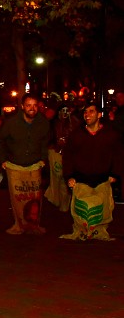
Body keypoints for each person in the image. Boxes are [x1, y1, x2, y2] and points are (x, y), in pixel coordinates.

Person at [61, 102, 124, 241]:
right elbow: (68, 157)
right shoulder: (76, 135)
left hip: (102, 178)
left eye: (91, 112)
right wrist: (69, 176)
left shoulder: (110, 134)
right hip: (81, 178)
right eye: (85, 112)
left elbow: (118, 155)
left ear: (99, 115)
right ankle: (82, 231)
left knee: (101, 208)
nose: (87, 115)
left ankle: (98, 231)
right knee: (83, 209)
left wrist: (115, 174)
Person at [0, 93, 51, 235]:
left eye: (34, 105)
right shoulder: (11, 123)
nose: (32, 108)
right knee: (18, 198)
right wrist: (2, 160)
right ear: (22, 107)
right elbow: (0, 141)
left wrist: (43, 159)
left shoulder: (43, 123)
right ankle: (18, 224)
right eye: (28, 105)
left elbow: (46, 142)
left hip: (34, 164)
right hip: (14, 165)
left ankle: (34, 224)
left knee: (35, 198)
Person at [44, 104, 81, 211]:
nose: (65, 113)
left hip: (69, 153)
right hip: (55, 153)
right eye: (62, 110)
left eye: (67, 110)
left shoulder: (74, 122)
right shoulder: (53, 123)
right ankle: (56, 199)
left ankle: (65, 204)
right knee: (56, 177)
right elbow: (48, 137)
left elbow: (78, 136)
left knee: (66, 178)